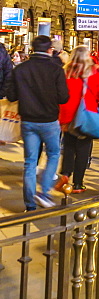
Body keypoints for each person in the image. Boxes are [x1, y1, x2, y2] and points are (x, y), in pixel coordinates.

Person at [5, 35, 69, 211]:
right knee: (54, 154)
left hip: (28, 121)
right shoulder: (56, 70)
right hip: (49, 121)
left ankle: (30, 205)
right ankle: (44, 192)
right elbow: (64, 97)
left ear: (33, 49)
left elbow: (11, 96)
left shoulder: (21, 69)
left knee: (30, 162)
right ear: (50, 50)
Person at [55, 45, 99, 194]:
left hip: (67, 116)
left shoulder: (65, 72)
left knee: (69, 147)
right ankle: (78, 184)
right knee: (83, 150)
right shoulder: (93, 72)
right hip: (86, 117)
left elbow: (59, 95)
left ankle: (65, 174)